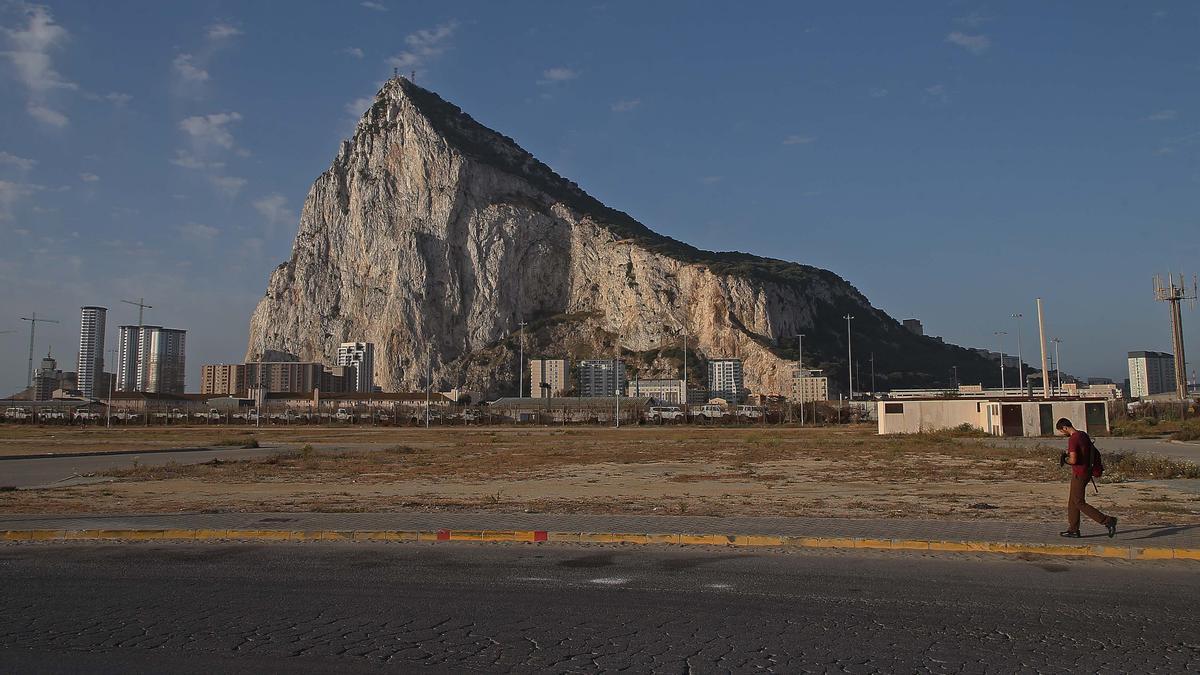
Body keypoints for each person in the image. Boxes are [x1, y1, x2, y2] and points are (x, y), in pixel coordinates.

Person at [1056, 418, 1117, 538]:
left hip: (1080, 473)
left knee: (1078, 502)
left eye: (1062, 431)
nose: (1063, 434)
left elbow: (1074, 459)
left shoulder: (1073, 439)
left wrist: (1066, 459)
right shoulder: (1083, 434)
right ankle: (1073, 529)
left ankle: (1107, 520)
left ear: (1065, 428)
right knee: (1073, 501)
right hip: (1087, 471)